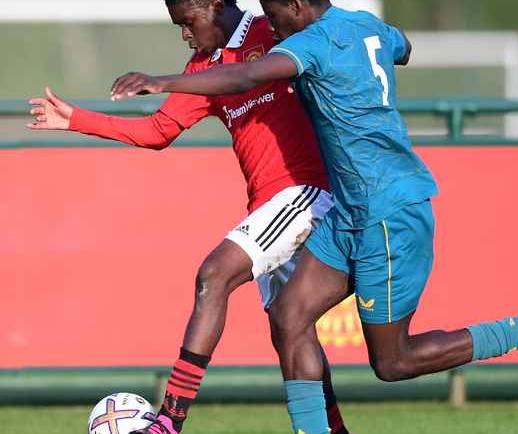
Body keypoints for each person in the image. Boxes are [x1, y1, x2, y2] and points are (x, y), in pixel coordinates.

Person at [109, 1, 518, 433]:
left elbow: (246, 76)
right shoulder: (363, 25)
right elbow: (404, 46)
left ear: (297, 6)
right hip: (347, 211)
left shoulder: (313, 42)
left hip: (388, 212)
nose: (273, 28)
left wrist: (164, 81)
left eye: (275, 16)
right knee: (289, 317)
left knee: (393, 362)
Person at [27, 1, 353, 434]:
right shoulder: (202, 68)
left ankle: (168, 422)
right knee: (291, 333)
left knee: (214, 275)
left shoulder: (271, 31)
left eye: (187, 23)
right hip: (270, 207)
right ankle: (332, 429)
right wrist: (77, 120)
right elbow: (158, 130)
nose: (184, 34)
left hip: (306, 193)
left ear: (216, 6)